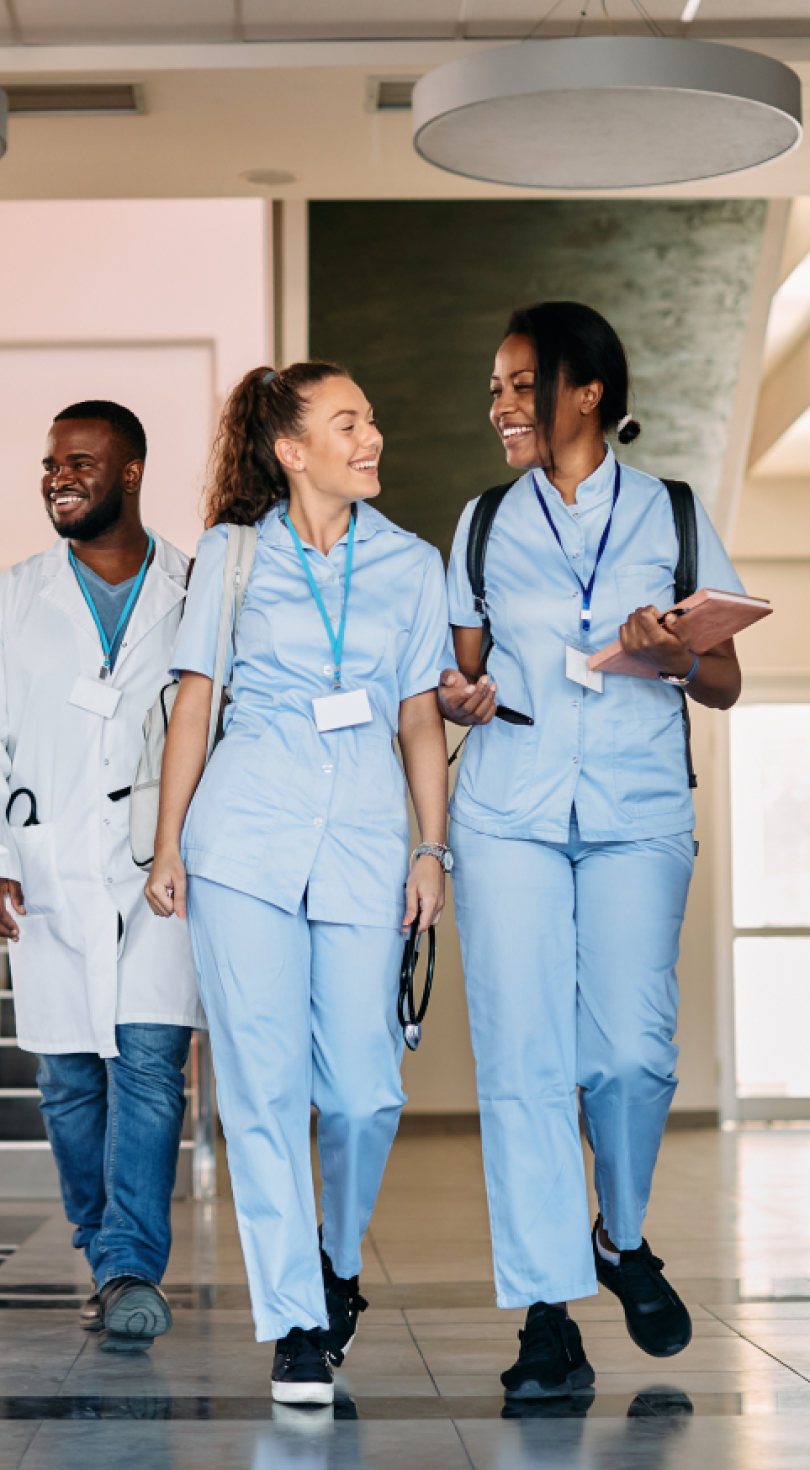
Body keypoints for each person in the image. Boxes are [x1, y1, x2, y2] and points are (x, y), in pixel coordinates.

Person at [438, 302, 744, 1400]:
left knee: (631, 1055)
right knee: (523, 1062)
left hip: (637, 807)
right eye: (496, 390)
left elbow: (727, 681)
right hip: (509, 811)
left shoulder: (674, 513)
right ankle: (545, 1314)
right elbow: (457, 679)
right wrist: (460, 696)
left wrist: (672, 656)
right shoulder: (480, 523)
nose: (503, 407)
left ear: (588, 393)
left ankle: (619, 1234)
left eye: (522, 385)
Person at [145, 363, 451, 1405]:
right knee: (262, 1088)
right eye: (348, 422)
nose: (372, 436)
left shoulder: (413, 564)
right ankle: (296, 1322)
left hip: (365, 842)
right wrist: (168, 844)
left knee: (365, 1090)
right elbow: (197, 703)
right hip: (242, 844)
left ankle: (335, 1257)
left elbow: (419, 715)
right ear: (290, 450)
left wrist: (431, 847)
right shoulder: (231, 557)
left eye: (369, 418)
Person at [0, 401, 202, 1351]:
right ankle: (104, 1246)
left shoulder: (192, 583)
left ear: (132, 471)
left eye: (81, 461)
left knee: (148, 1064)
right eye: (51, 462)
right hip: (49, 863)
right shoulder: (11, 597)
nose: (58, 476)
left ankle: (131, 1261)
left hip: (156, 865)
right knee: (67, 1082)